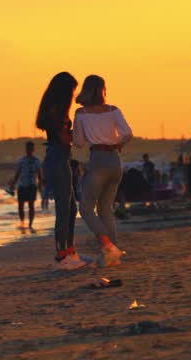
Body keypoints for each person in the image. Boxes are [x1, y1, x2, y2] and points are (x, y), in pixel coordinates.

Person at [72, 75, 133, 268]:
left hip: (97, 159)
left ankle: (107, 246)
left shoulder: (81, 113)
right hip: (115, 160)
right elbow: (128, 133)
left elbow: (79, 142)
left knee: (85, 208)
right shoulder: (113, 110)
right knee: (106, 208)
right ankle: (113, 255)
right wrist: (118, 144)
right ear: (102, 90)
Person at [35, 72, 82, 270]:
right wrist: (81, 132)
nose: (73, 95)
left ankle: (69, 251)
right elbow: (64, 139)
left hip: (60, 158)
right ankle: (62, 253)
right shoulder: (57, 111)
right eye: (71, 91)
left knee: (71, 208)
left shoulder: (54, 109)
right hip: (58, 158)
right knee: (64, 209)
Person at [10, 141, 43, 230]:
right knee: (20, 206)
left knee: (31, 206)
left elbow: (40, 175)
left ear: (33, 149)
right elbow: (18, 174)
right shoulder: (22, 160)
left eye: (30, 148)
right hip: (22, 185)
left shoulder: (37, 161)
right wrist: (13, 184)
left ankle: (30, 224)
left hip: (32, 185)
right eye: (27, 148)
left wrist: (40, 187)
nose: (28, 150)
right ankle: (22, 222)